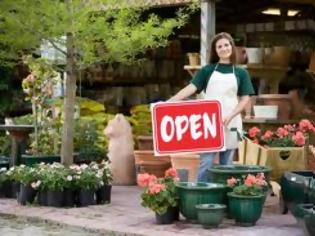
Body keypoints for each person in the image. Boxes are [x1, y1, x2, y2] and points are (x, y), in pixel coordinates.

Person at [168, 32, 255, 182]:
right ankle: (201, 197)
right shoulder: (207, 70)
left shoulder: (241, 73)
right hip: (209, 123)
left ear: (232, 47)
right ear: (215, 51)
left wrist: (232, 115)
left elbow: (245, 98)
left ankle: (223, 199)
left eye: (226, 45)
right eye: (219, 46)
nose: (223, 48)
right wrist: (171, 101)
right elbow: (191, 88)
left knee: (227, 166)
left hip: (232, 122)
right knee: (206, 163)